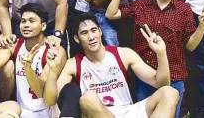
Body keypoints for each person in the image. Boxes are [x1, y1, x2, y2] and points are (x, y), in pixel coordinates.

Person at [106, 0, 204, 117]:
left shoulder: (184, 9)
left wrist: (201, 27)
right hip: (146, 76)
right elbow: (111, 14)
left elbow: (190, 45)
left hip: (174, 76)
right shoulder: (140, 5)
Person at [43, 13, 179, 117]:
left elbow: (161, 83)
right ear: (77, 39)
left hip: (127, 110)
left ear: (100, 32)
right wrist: (53, 72)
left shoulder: (124, 54)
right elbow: (50, 101)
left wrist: (161, 53)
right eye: (84, 33)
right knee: (88, 98)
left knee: (169, 92)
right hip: (98, 113)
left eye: (94, 30)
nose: (91, 37)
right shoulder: (73, 64)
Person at [0, 3, 63, 118]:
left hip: (46, 112)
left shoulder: (53, 50)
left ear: (43, 26)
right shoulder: (15, 45)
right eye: (23, 21)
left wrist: (28, 69)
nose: (26, 25)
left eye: (31, 21)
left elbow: (42, 94)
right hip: (21, 111)